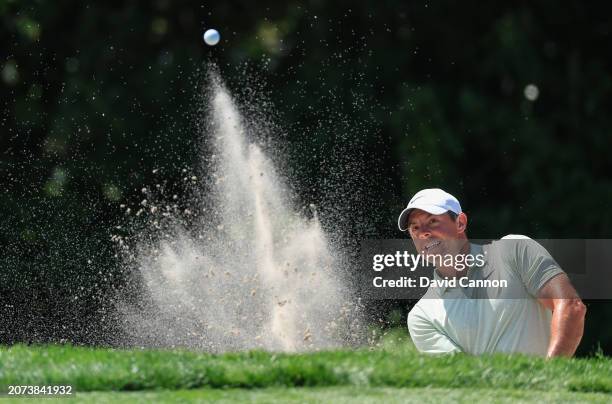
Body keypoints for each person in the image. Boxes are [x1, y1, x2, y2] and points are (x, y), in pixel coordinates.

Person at [397, 188, 586, 357]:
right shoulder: (422, 316)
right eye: (415, 228)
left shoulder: (515, 250)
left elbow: (572, 307)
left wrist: (549, 379)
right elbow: (465, 382)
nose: (424, 233)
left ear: (460, 223)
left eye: (433, 221)